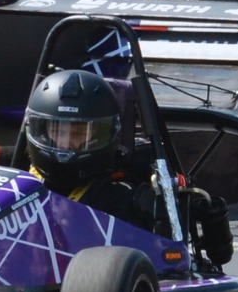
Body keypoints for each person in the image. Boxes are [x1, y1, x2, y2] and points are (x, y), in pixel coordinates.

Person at [24, 69, 148, 227]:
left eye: (78, 133)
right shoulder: (19, 184)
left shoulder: (118, 198)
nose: (65, 143)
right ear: (42, 132)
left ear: (100, 136)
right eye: (58, 131)